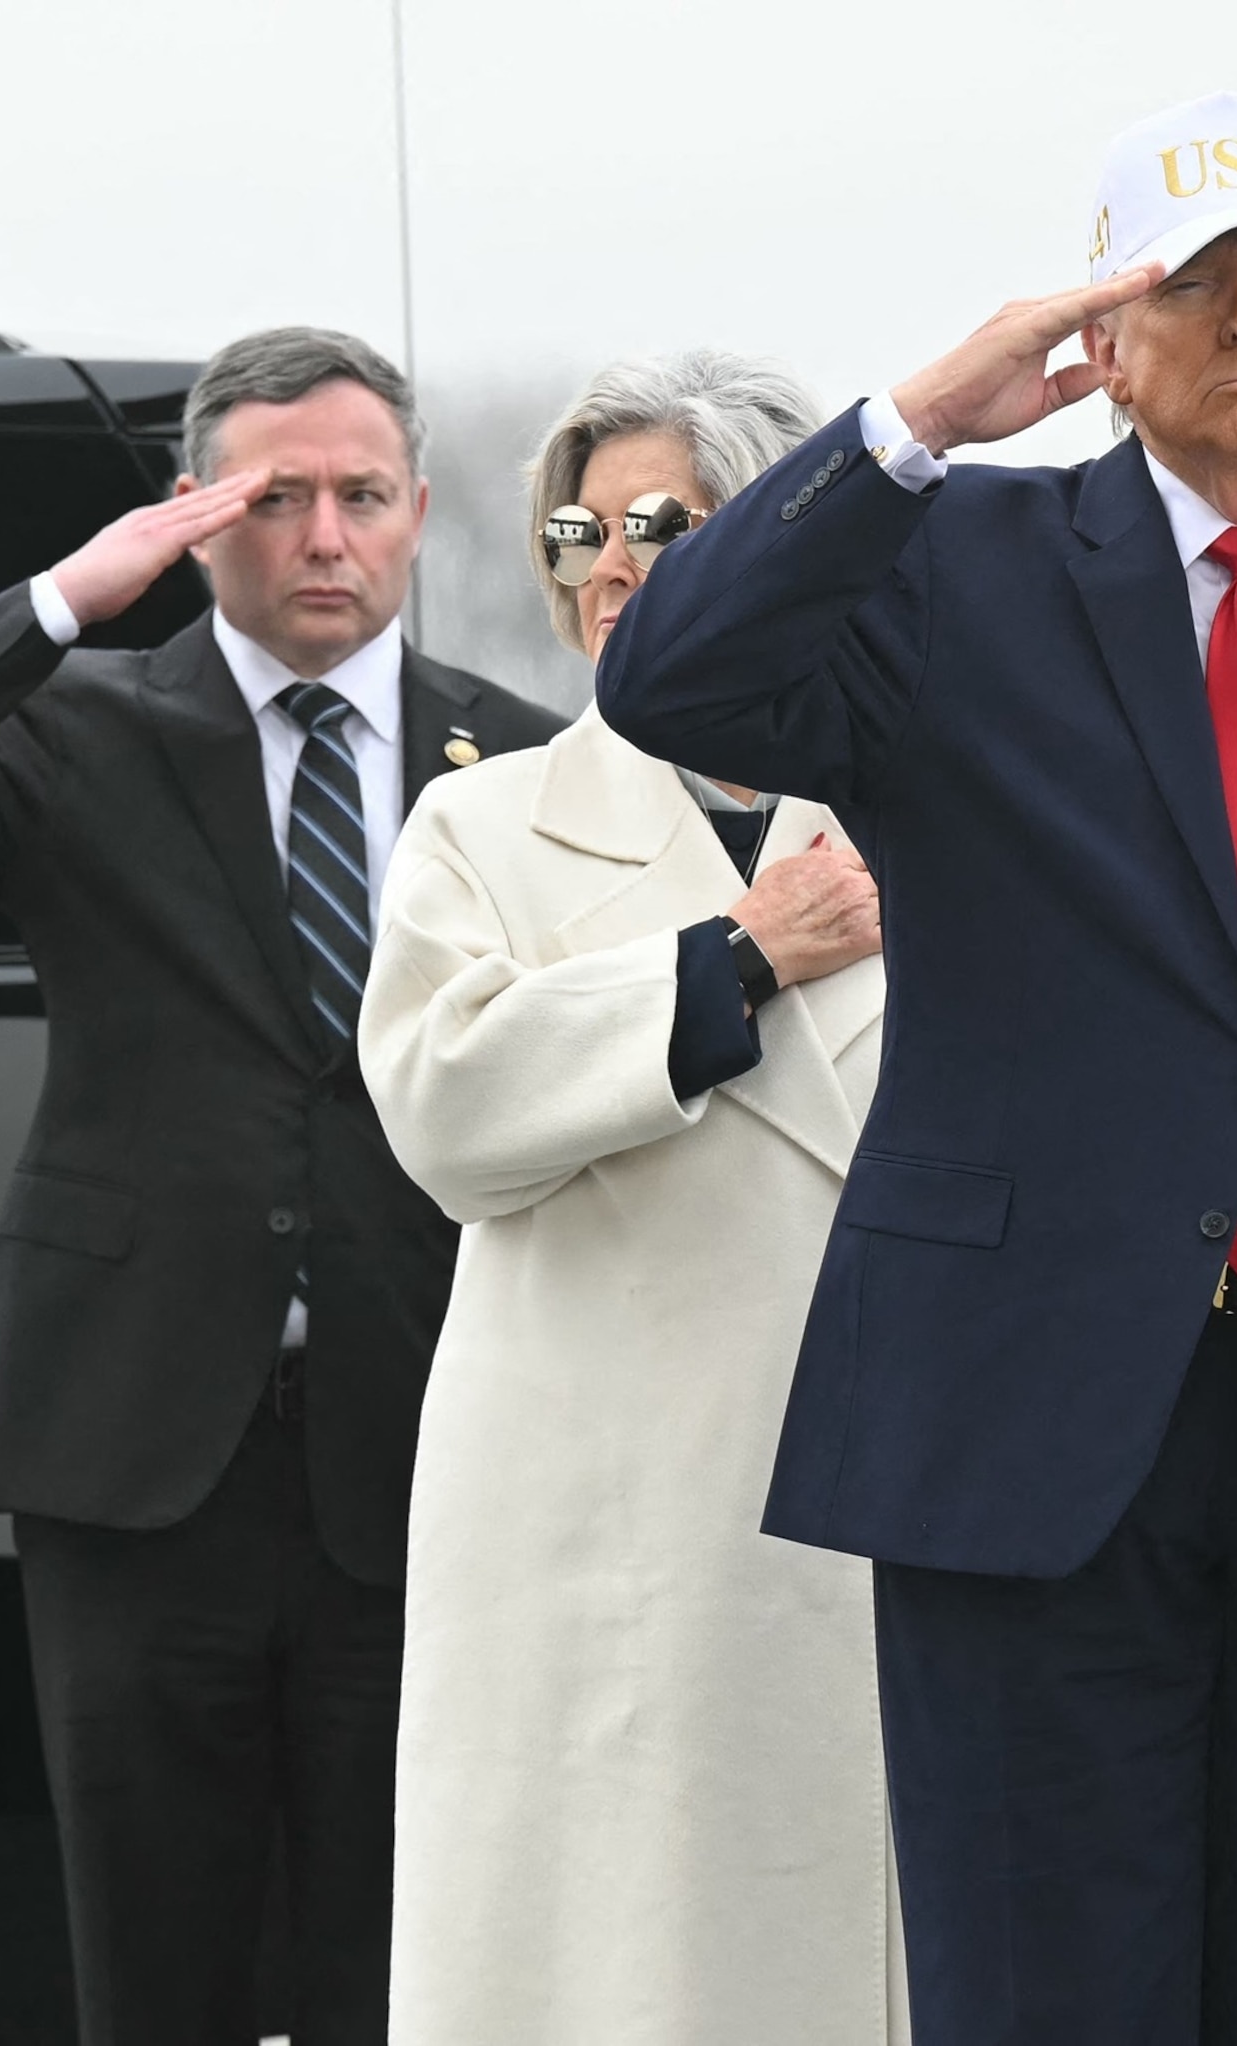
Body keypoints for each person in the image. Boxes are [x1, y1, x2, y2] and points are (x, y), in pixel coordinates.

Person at [592, 93, 1237, 2044]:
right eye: (1191, 287)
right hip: (1031, 1430)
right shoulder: (952, 565)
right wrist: (917, 423)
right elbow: (669, 681)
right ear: (1102, 341)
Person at [0, 327, 560, 2042]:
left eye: (363, 496)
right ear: (197, 515)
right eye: (275, 499)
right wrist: (63, 599)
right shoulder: (80, 726)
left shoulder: (526, 768)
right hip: (131, 1453)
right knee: (151, 1969)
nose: (323, 536)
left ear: (416, 517)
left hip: (423, 1455)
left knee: (402, 1967)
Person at [358, 353, 908, 2044]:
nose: (607, 563)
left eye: (665, 526)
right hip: (596, 1536)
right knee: (604, 1969)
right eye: (576, 528)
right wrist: (738, 959)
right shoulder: (481, 821)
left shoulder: (926, 808)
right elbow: (446, 1105)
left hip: (877, 1514)